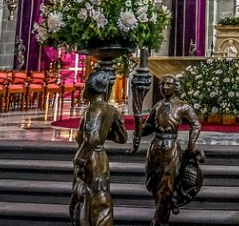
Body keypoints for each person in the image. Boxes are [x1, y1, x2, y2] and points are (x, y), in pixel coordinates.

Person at [141, 75, 203, 226]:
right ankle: (162, 216)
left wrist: (191, 144)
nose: (164, 87)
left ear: (175, 87)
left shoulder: (182, 106)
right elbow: (147, 128)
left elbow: (196, 125)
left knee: (166, 187)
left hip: (171, 149)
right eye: (162, 84)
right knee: (155, 184)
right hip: (155, 148)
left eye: (168, 84)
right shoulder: (157, 106)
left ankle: (159, 221)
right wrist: (138, 128)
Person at [70, 69, 128, 226]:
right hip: (102, 158)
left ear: (90, 87)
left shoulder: (93, 110)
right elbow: (122, 137)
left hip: (91, 158)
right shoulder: (111, 110)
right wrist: (104, 135)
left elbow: (92, 137)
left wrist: (80, 158)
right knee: (100, 192)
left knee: (89, 195)